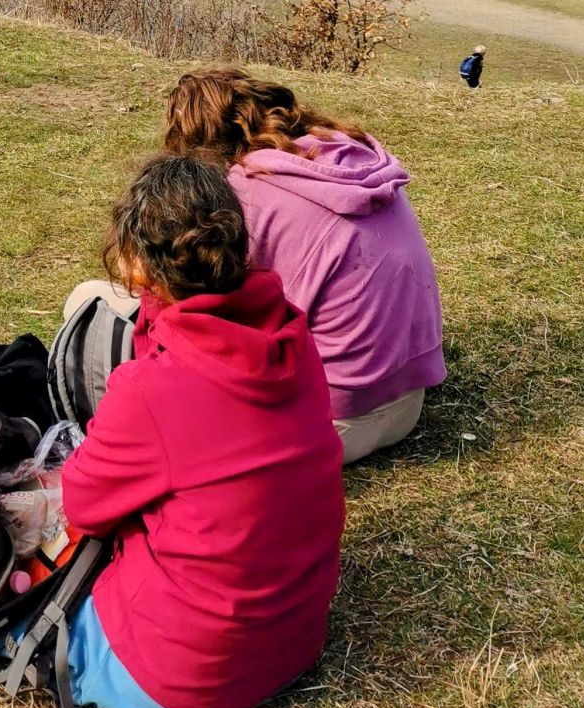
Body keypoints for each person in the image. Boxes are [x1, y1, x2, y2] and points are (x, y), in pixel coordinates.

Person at [52, 153, 344, 708]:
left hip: (190, 675)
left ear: (139, 270)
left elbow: (83, 504)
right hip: (296, 640)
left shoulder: (152, 387)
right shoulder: (293, 338)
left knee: (6, 593)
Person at [163, 67, 444, 463]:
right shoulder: (352, 156)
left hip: (327, 424)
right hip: (409, 403)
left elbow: (221, 318)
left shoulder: (246, 191)